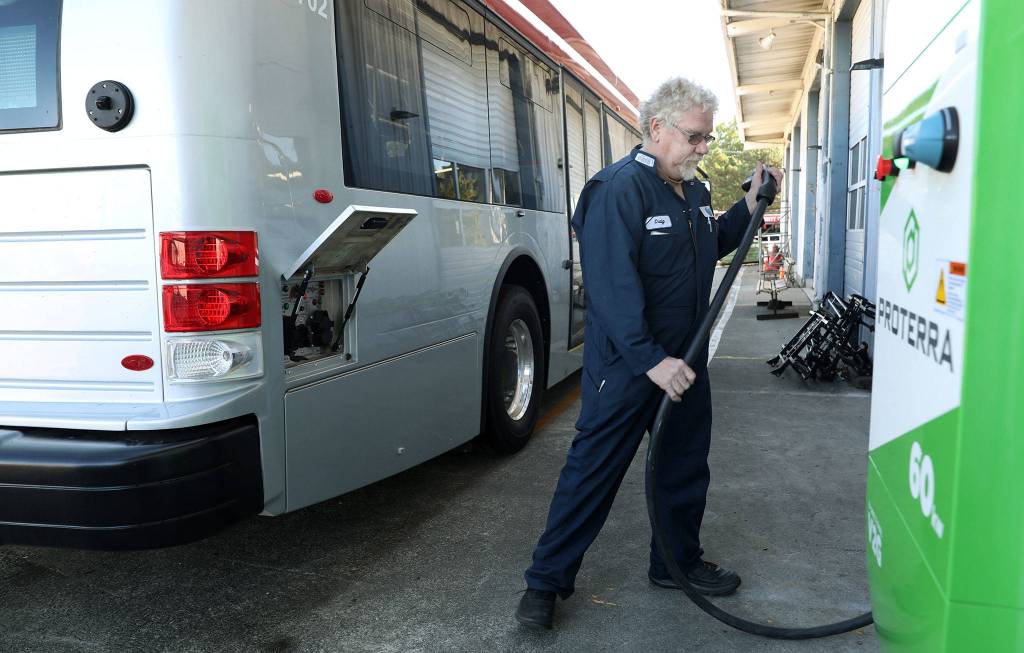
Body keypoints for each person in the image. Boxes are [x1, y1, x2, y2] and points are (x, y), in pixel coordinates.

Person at [515, 77, 783, 630]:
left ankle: (675, 563)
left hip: (684, 363)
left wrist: (748, 204)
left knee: (682, 469)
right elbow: (611, 289)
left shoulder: (696, 192)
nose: (704, 148)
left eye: (706, 139)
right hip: (631, 367)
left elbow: (713, 241)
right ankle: (545, 583)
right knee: (593, 472)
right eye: (696, 137)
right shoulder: (617, 190)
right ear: (657, 128)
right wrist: (650, 360)